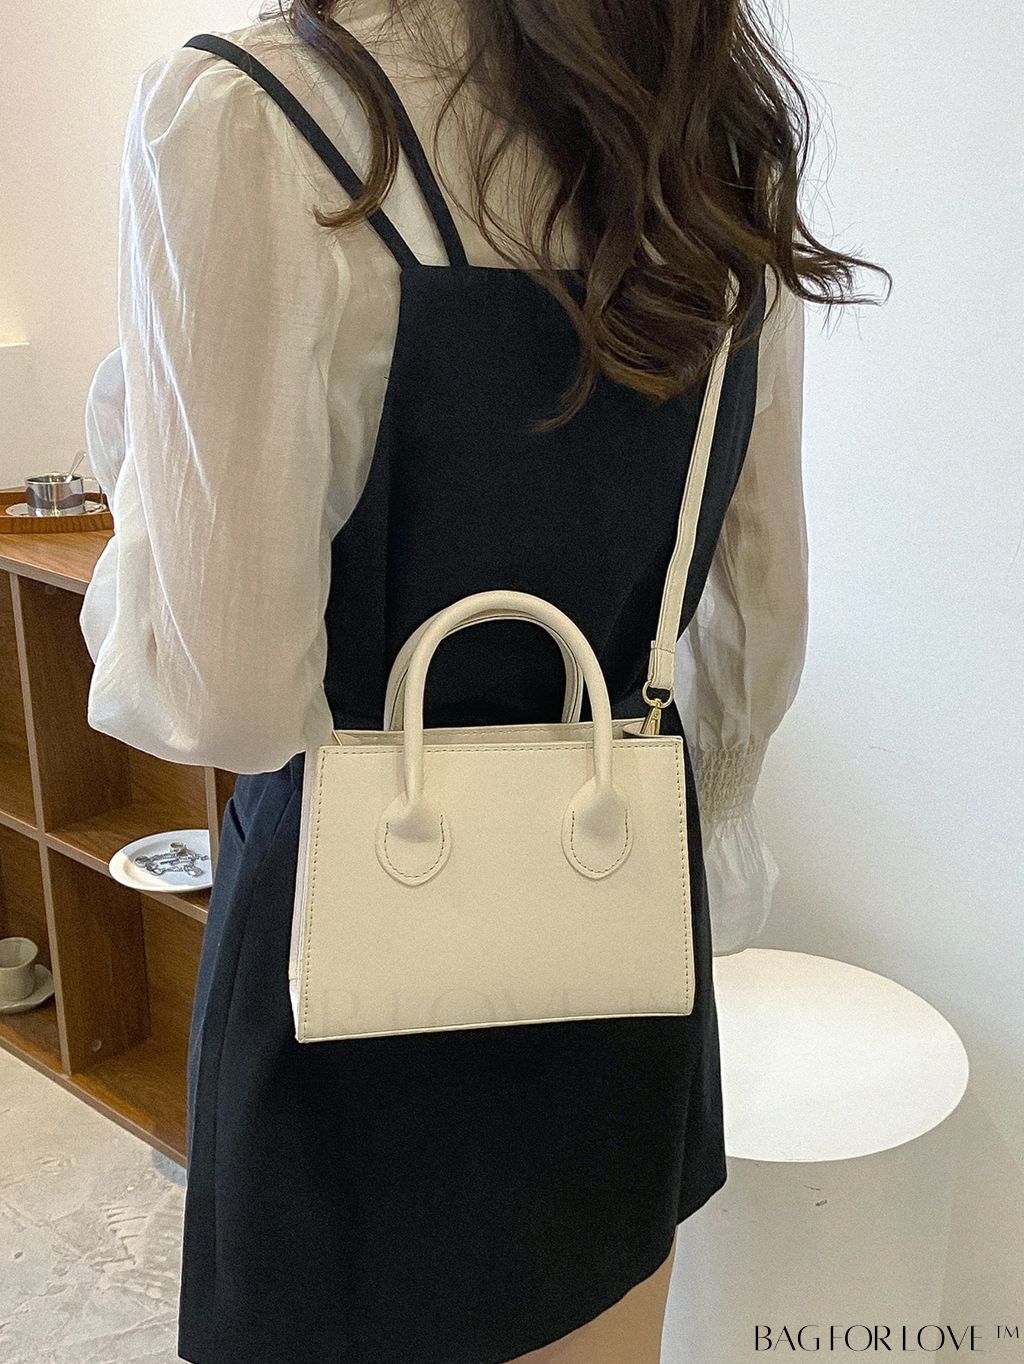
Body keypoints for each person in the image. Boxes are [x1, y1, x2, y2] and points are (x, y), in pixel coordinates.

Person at [79, 2, 888, 1360]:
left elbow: (227, 700)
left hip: (346, 954)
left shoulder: (248, 118)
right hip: (614, 918)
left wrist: (136, 468)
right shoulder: (713, 139)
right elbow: (760, 614)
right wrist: (701, 813)